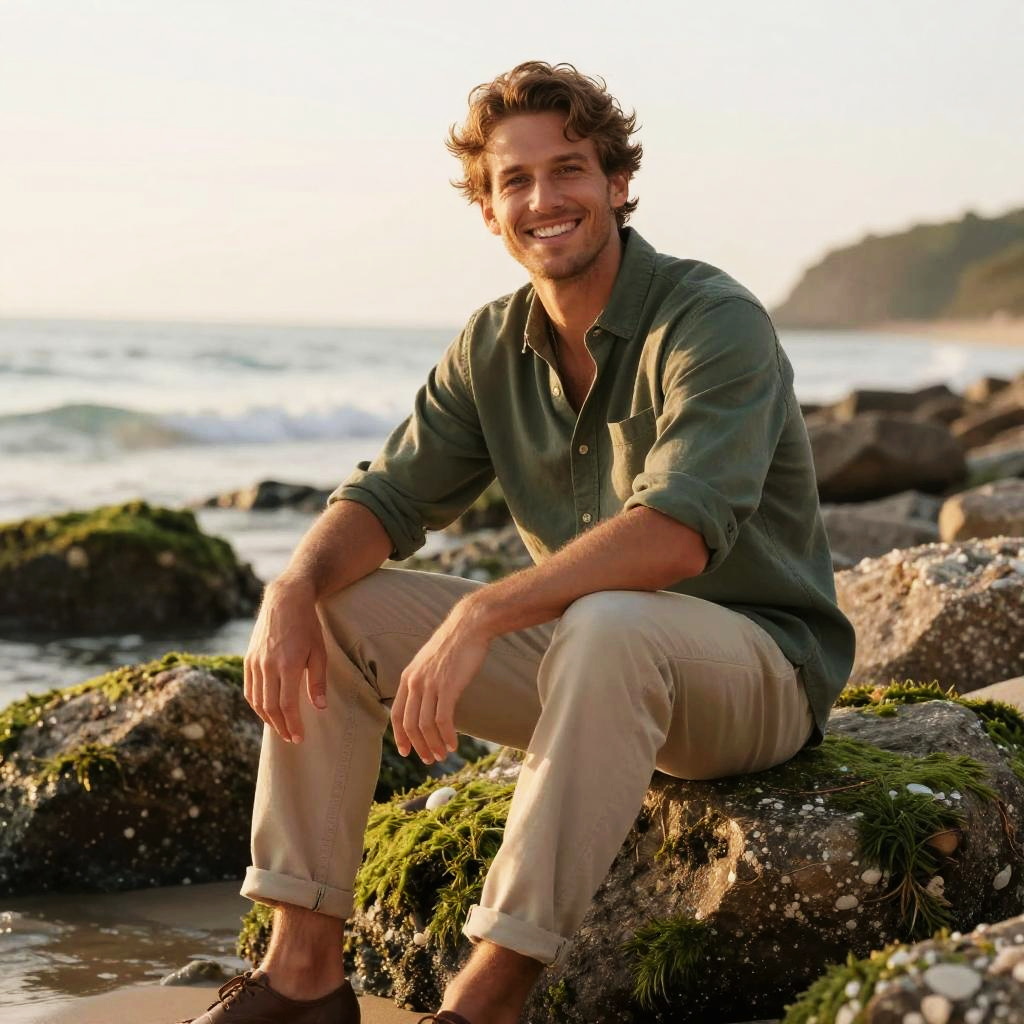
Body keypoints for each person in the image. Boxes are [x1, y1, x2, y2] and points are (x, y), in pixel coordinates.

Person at [183, 61, 855, 1024]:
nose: (545, 199)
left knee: (612, 622)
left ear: (618, 185)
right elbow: (388, 497)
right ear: (490, 209)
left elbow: (675, 536)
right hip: (595, 665)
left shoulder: (713, 320)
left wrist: (481, 612)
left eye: (570, 169)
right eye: (515, 180)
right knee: (336, 607)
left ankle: (488, 999)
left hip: (754, 676)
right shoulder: (492, 345)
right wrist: (289, 588)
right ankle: (303, 980)